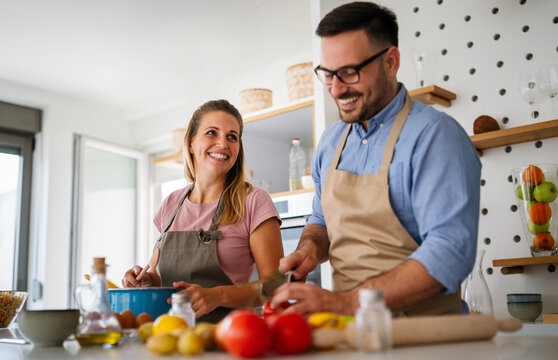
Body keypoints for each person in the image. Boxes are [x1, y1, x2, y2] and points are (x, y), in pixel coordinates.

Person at [272, 2, 481, 317]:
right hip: (352, 331)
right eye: (327, 74)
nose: (337, 88)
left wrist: (345, 302)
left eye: (349, 72)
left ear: (391, 62)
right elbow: (321, 221)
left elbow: (450, 252)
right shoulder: (329, 143)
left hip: (427, 336)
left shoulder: (435, 136)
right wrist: (309, 249)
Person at [123, 99, 283, 323]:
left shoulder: (253, 201)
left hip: (231, 338)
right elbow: (167, 280)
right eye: (211, 133)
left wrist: (217, 296)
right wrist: (147, 281)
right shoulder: (170, 204)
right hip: (173, 336)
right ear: (190, 143)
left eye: (232, 136)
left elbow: (276, 285)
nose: (222, 144)